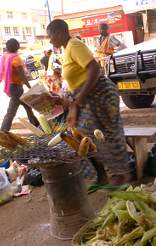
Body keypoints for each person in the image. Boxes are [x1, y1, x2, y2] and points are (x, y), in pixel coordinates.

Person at [46, 19, 131, 185]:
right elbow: (76, 81)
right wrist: (61, 100)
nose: (50, 40)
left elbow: (94, 69)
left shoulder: (74, 45)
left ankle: (120, 175)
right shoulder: (67, 50)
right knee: (83, 136)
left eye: (50, 36)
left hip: (100, 93)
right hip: (87, 96)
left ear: (59, 32)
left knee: (107, 133)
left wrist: (78, 102)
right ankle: (103, 175)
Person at [0, 38, 39, 132]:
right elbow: (22, 75)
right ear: (17, 47)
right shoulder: (16, 58)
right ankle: (3, 131)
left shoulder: (5, 57)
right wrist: (29, 87)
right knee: (11, 111)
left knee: (28, 106)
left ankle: (36, 125)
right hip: (16, 88)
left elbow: (0, 74)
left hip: (10, 86)